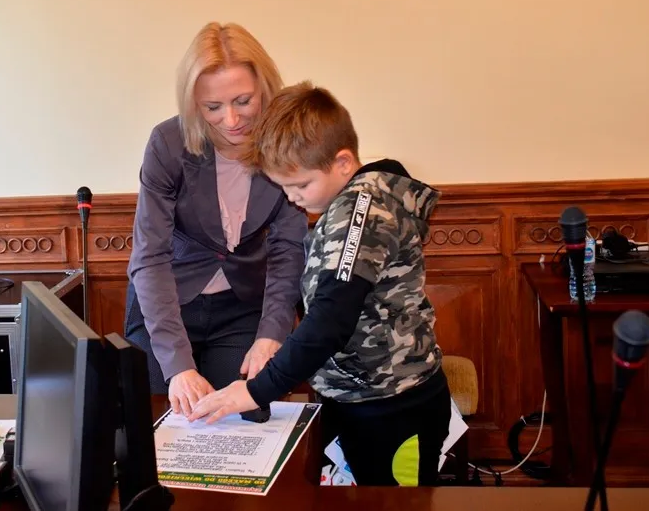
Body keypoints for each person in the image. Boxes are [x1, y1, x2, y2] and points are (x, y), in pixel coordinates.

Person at [189, 82, 452, 486]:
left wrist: (256, 390)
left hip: (394, 406)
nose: (292, 198)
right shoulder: (347, 204)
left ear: (343, 162)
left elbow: (330, 319)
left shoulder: (361, 212)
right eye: (283, 187)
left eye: (300, 185)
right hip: (356, 399)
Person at [125, 22, 308, 416]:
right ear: (194, 104)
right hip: (167, 304)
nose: (231, 120)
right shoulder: (168, 145)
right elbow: (150, 256)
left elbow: (288, 249)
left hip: (241, 307)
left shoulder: (287, 142)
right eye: (213, 107)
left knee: (248, 415)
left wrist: (272, 334)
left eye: (243, 101)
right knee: (154, 417)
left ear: (265, 88)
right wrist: (178, 366)